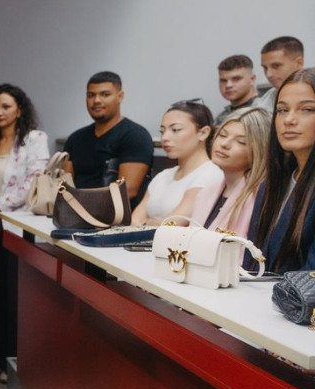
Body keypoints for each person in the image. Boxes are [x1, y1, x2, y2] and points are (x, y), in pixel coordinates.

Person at [0, 84, 48, 382]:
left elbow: (33, 181)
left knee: (15, 295)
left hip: (17, 224)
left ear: (19, 109)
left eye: (5, 106)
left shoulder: (34, 139)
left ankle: (12, 363)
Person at [251, 68, 315, 273]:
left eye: (307, 109)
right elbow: (252, 260)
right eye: (282, 110)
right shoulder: (271, 184)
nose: (289, 120)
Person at [130, 100, 223, 226]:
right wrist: (152, 224)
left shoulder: (211, 174)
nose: (165, 138)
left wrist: (148, 223)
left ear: (203, 133)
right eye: (162, 131)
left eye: (175, 130)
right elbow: (134, 221)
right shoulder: (163, 176)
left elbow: (172, 224)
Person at [63, 71, 152, 200]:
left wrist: (82, 202)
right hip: (74, 208)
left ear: (120, 97)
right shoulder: (75, 139)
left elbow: (127, 190)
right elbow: (64, 185)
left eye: (105, 94)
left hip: (115, 211)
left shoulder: (136, 136)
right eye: (91, 95)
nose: (96, 100)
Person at [189, 105, 269, 235]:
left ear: (259, 151)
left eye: (241, 142)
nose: (224, 144)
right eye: (222, 135)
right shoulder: (205, 193)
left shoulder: (260, 199)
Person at [257, 36, 306, 112]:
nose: (269, 74)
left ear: (299, 63)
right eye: (265, 68)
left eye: (276, 66)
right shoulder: (264, 102)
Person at [215, 54, 261, 124]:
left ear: (252, 79)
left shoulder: (264, 111)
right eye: (223, 80)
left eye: (236, 79)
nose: (228, 85)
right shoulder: (221, 118)